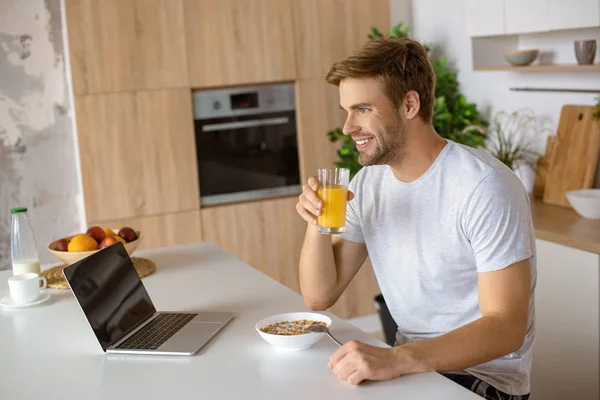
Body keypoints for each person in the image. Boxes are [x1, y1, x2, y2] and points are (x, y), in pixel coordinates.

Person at [295, 37, 536, 400]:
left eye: (362, 110)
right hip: (412, 368)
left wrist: (397, 359)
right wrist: (316, 222)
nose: (347, 127)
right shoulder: (370, 183)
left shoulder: (484, 186)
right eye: (346, 111)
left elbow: (506, 327)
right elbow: (318, 296)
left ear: (409, 104)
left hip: (482, 380)